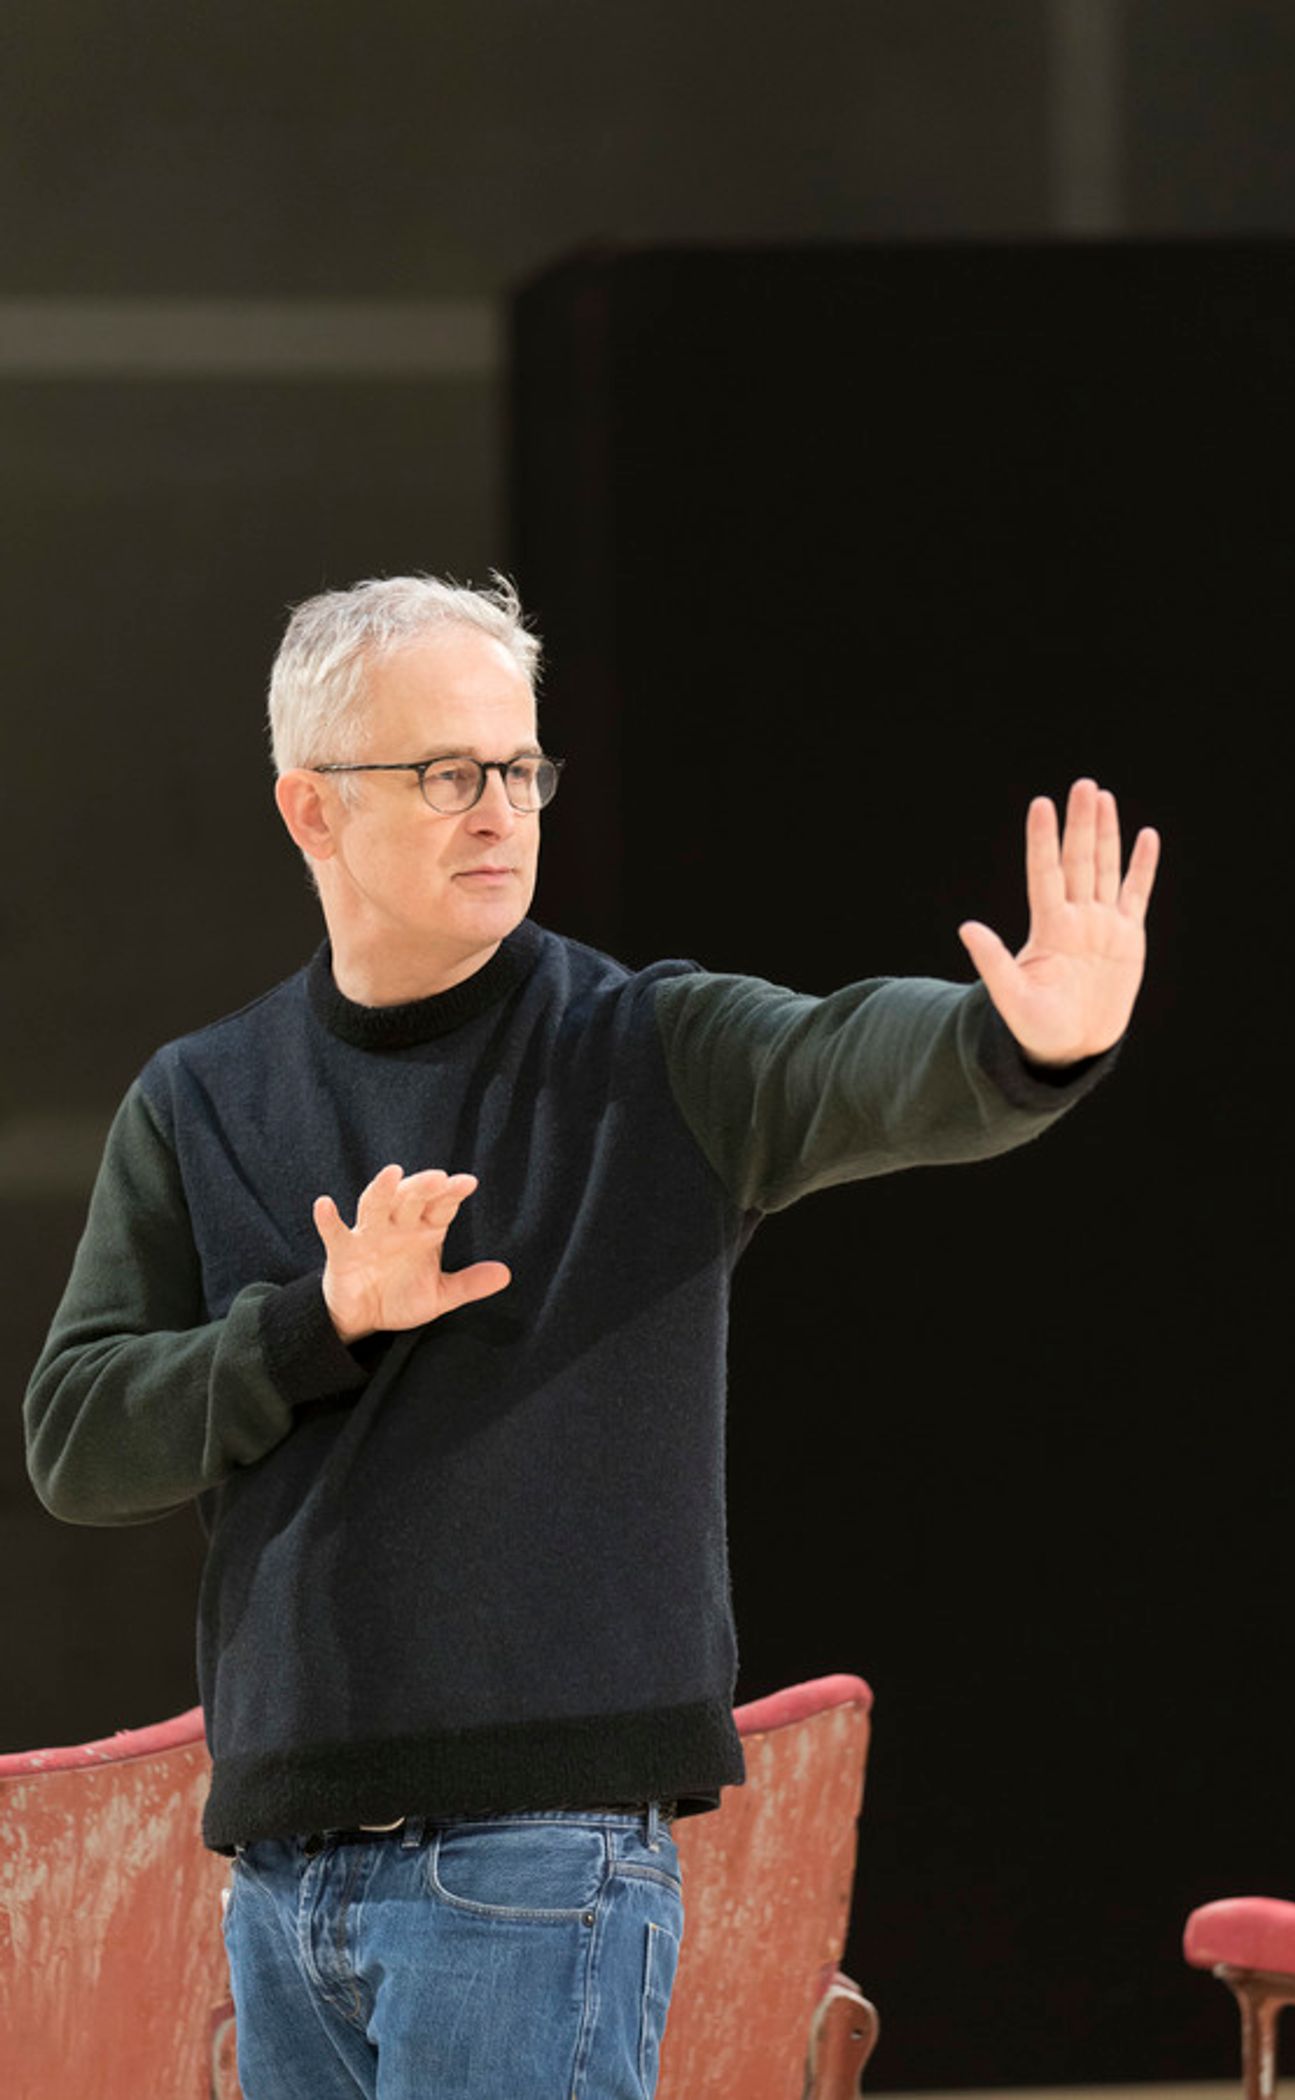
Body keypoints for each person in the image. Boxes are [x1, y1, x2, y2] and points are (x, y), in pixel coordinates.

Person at [24, 573, 1160, 2100]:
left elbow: (850, 1061)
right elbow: (78, 1443)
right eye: (445, 774)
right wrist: (312, 1327)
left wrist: (1023, 1038)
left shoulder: (647, 1051)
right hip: (286, 1880)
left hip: (538, 1864)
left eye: (519, 767)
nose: (499, 809)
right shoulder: (201, 1099)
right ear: (310, 810)